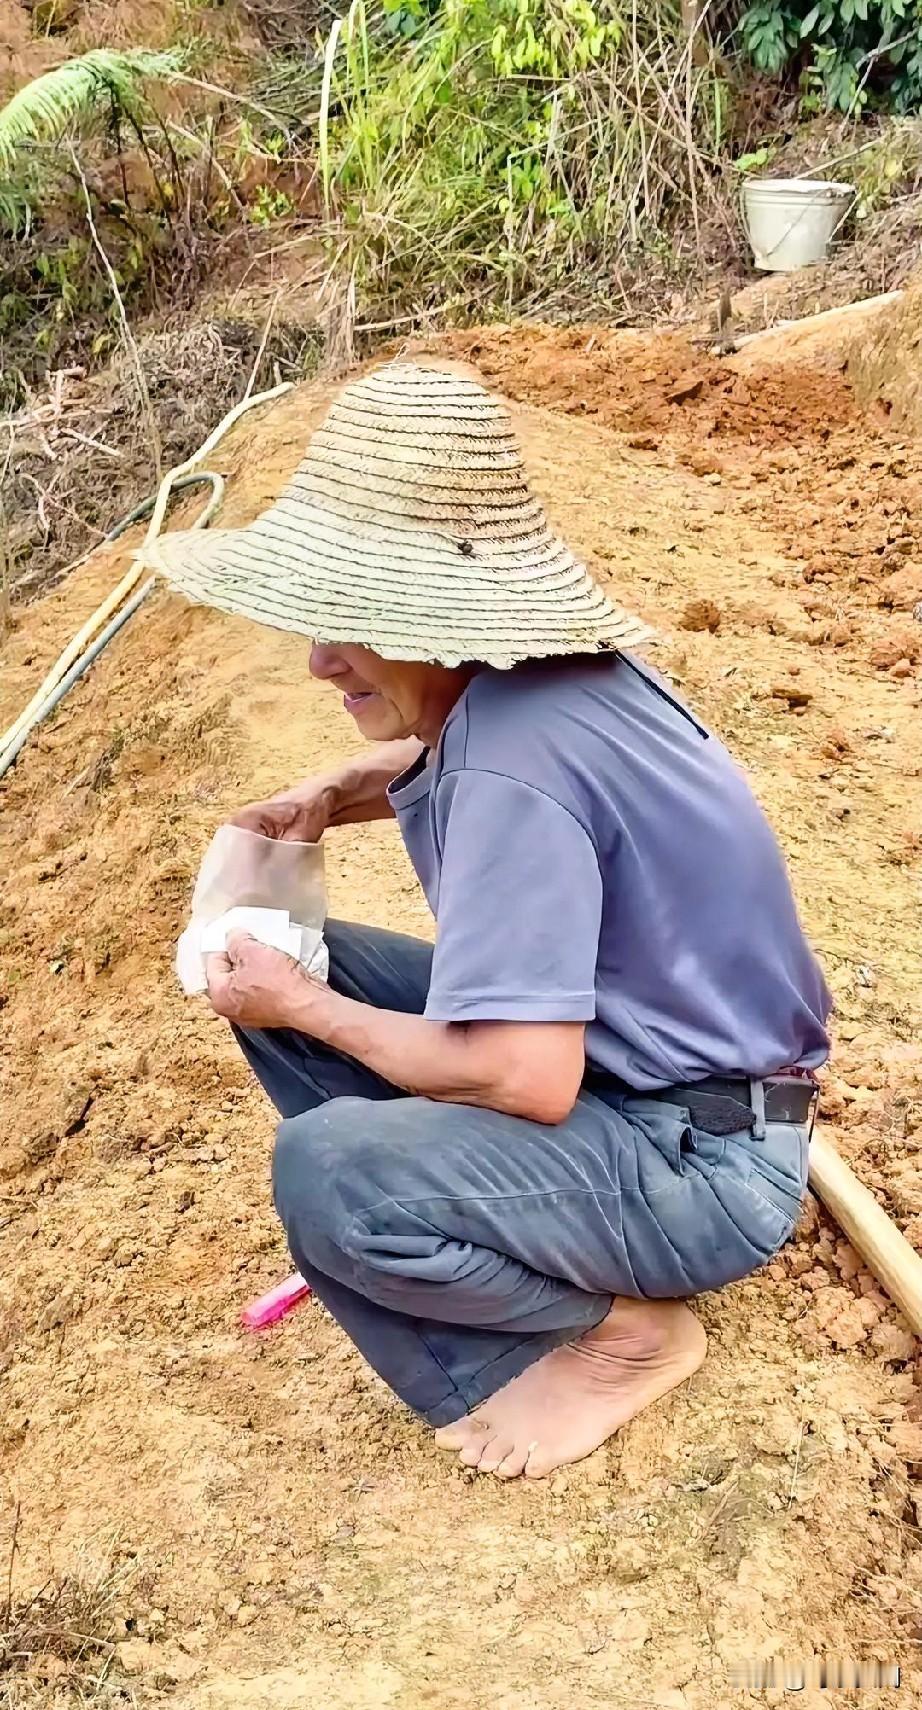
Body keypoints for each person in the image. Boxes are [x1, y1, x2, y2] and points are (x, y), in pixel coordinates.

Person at [147, 360, 831, 1481]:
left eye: (348, 627)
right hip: (700, 1097)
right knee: (288, 974)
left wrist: (308, 1008)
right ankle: (496, 1225)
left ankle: (618, 1332)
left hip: (702, 1166)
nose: (320, 661)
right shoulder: (549, 681)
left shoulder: (513, 776)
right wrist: (332, 794)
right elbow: (440, 751)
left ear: (431, 615)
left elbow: (527, 1078)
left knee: (329, 1172)